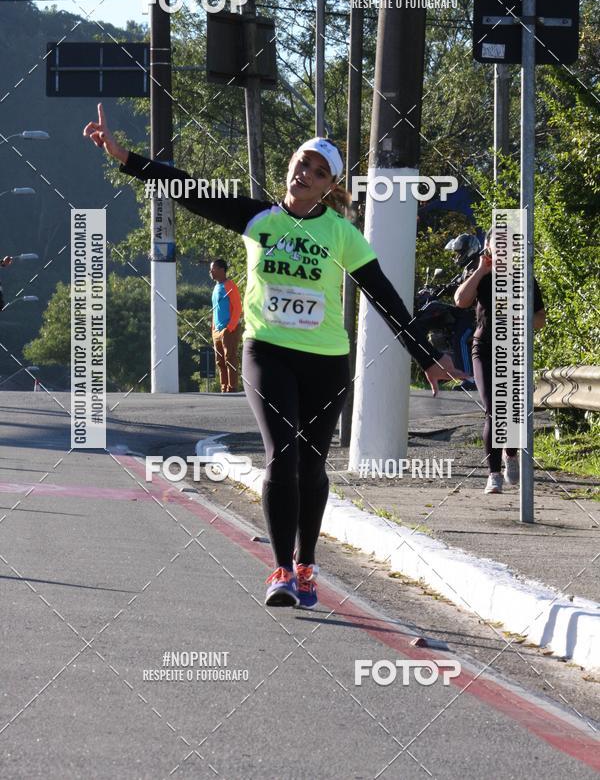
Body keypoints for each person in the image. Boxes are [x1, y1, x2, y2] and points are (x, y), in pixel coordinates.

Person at [84, 103, 466, 609]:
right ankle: (281, 569)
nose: (304, 173)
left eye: (318, 170)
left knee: (311, 465)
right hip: (267, 353)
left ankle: (307, 564)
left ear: (330, 187)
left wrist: (425, 356)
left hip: (327, 361)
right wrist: (123, 156)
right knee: (281, 455)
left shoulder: (343, 235)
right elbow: (189, 188)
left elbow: (385, 297)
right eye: (301, 163)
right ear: (290, 167)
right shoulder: (258, 218)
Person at [454, 228, 546, 494]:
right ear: (488, 246)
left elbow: (540, 318)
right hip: (483, 347)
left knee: (512, 411)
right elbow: (461, 301)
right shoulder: (479, 274)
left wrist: (522, 319)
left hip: (513, 348)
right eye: (498, 244)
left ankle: (510, 454)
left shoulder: (523, 277)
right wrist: (481, 270)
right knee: (494, 411)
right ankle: (493, 474)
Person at [209, 258, 242, 393]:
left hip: (228, 329)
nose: (210, 271)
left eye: (213, 268)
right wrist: (213, 327)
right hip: (216, 330)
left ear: (222, 270)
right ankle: (224, 387)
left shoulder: (230, 285)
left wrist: (230, 327)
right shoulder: (216, 287)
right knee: (220, 361)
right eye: (210, 269)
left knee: (230, 358)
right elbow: (215, 308)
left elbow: (238, 308)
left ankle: (232, 387)